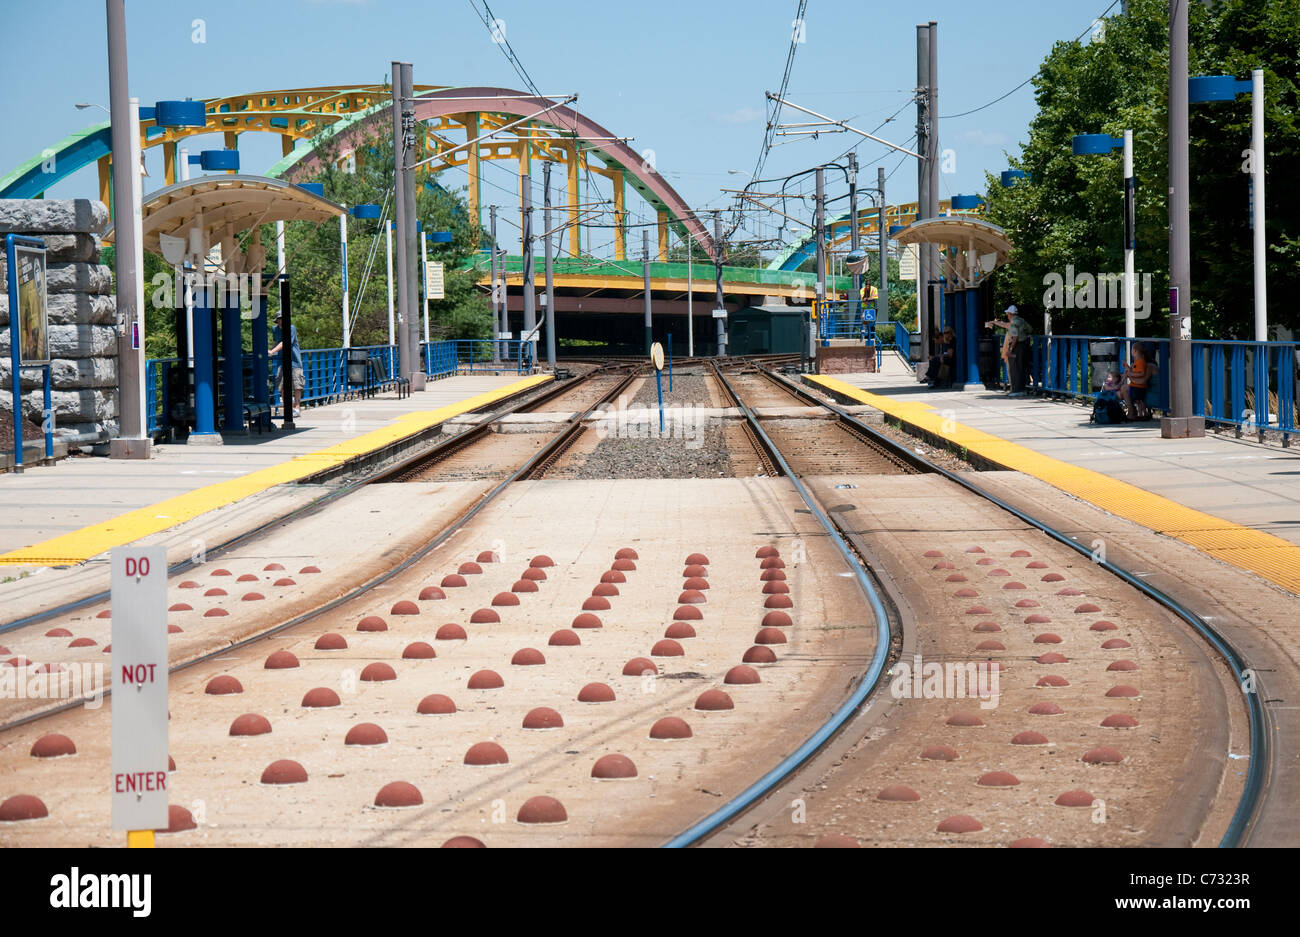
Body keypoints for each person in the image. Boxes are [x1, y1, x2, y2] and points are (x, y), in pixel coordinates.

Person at [985, 304, 1032, 396]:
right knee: (1021, 367)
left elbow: (1015, 337)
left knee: (1014, 368)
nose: (1007, 315)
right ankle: (1022, 389)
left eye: (1008, 314)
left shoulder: (1014, 323)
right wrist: (995, 322)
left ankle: (1016, 390)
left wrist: (1010, 349)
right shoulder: (1020, 320)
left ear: (1010, 314)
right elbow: (1029, 329)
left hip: (1016, 346)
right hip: (1024, 345)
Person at [270, 312, 304, 418]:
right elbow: (277, 341)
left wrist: (272, 351)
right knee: (281, 384)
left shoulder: (291, 328)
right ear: (277, 320)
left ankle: (297, 408)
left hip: (294, 360)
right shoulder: (275, 329)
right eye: (279, 319)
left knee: (297, 384)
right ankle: (288, 407)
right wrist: (271, 350)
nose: (281, 320)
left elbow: (286, 341)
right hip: (282, 360)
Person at [1119, 343, 1151, 420]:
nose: (1131, 352)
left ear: (1135, 351)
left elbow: (1141, 373)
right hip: (1134, 385)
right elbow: (1134, 371)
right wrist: (1127, 367)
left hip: (1138, 386)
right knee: (1138, 401)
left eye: (1131, 350)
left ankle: (1137, 413)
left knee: (1139, 401)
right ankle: (1136, 412)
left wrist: (1129, 374)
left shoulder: (1140, 362)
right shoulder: (1136, 362)